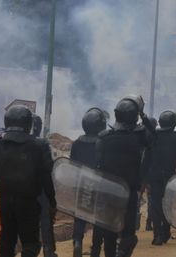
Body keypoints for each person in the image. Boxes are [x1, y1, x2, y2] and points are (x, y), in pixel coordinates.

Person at [0, 105, 56, 257]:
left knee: (7, 241)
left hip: (6, 202)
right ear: (29, 124)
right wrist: (52, 202)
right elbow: (46, 177)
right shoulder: (40, 146)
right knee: (30, 244)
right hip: (29, 202)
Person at [96, 95, 156, 257]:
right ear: (134, 116)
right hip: (129, 190)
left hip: (108, 190)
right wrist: (143, 114)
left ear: (116, 114)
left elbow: (97, 164)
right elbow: (153, 136)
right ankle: (122, 253)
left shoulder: (104, 137)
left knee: (110, 232)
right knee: (128, 234)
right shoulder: (139, 137)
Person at [146, 110, 176, 246]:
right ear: (173, 123)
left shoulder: (153, 136)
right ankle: (165, 232)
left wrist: (144, 177)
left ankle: (157, 235)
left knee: (155, 205)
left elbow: (146, 158)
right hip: (169, 176)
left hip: (154, 175)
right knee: (169, 204)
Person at [70, 108, 109, 257]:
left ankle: (78, 242)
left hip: (81, 183)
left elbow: (72, 165)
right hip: (98, 184)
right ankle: (95, 249)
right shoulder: (103, 142)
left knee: (80, 216)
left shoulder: (77, 143)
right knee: (98, 218)